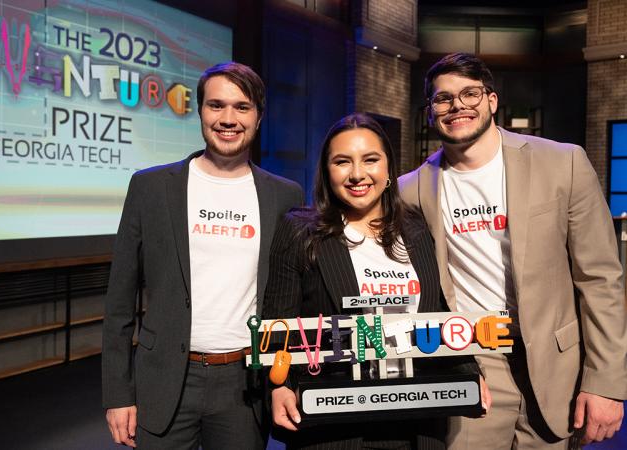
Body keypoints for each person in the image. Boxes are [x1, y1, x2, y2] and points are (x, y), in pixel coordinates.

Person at [399, 52, 627, 449]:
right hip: (473, 364)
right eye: (443, 99)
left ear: (491, 100)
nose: (457, 106)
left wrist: (605, 382)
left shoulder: (563, 162)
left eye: (470, 94)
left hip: (557, 367)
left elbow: (601, 278)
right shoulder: (411, 189)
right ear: (430, 112)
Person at [101, 61, 303, 449]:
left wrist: (287, 379)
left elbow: (290, 300)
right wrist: (118, 394)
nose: (228, 118)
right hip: (164, 379)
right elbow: (119, 302)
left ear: (259, 117)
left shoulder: (284, 196)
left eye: (242, 107)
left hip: (245, 383)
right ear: (200, 112)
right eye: (216, 105)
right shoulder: (151, 187)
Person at [263, 113, 488, 449]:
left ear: (388, 168)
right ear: (327, 171)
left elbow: (438, 313)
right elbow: (278, 323)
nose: (357, 174)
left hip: (416, 420)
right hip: (336, 425)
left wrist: (470, 371)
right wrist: (277, 386)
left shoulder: (416, 229)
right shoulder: (300, 231)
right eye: (342, 162)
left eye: (370, 160)